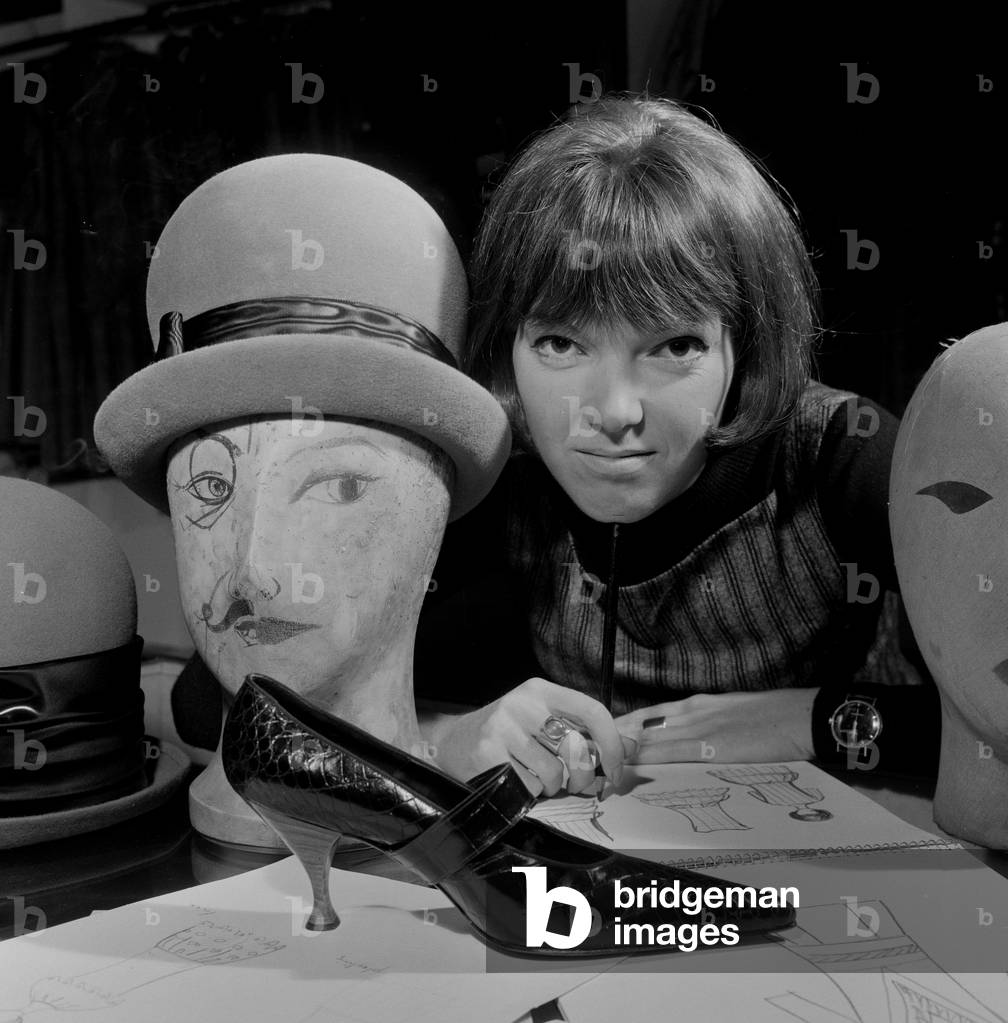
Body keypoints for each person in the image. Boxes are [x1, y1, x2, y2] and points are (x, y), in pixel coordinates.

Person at [415, 94, 940, 798]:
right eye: (561, 343)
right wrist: (446, 739)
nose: (612, 412)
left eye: (673, 345)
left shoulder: (844, 458)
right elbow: (263, 687)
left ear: (743, 349)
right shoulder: (495, 473)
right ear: (509, 349)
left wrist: (813, 720)